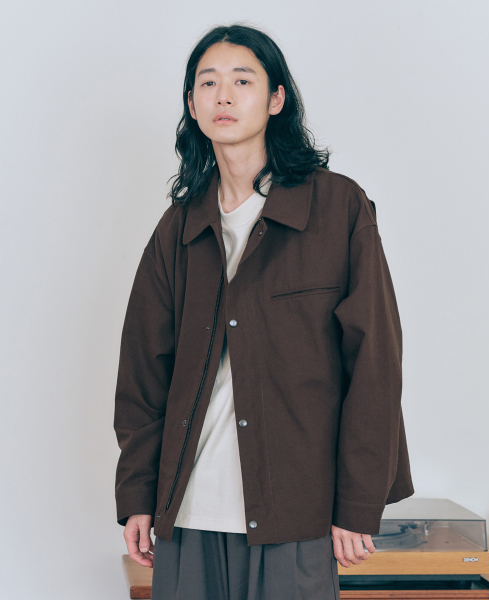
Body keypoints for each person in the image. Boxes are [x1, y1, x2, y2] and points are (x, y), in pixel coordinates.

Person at [113, 23, 414, 600]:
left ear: (276, 99)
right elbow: (143, 375)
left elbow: (374, 365)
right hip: (187, 514)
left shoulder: (337, 208)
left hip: (295, 511)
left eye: (242, 80)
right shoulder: (179, 227)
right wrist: (138, 495)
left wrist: (356, 503)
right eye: (208, 83)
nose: (223, 96)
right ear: (193, 106)